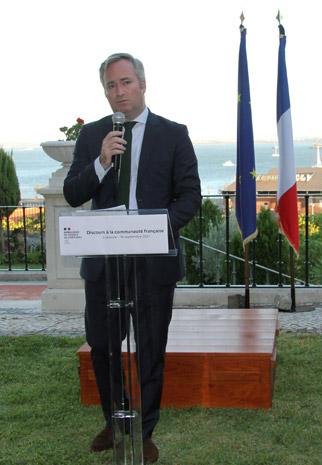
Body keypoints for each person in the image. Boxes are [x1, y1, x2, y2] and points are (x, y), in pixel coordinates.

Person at [63, 52, 201, 464]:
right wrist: (102, 162)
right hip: (105, 263)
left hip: (152, 262)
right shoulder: (93, 138)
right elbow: (73, 193)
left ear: (142, 84)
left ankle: (145, 430)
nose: (119, 92)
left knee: (150, 348)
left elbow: (189, 196)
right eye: (111, 85)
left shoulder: (173, 134)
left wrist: (155, 231)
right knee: (104, 346)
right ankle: (115, 418)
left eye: (125, 82)